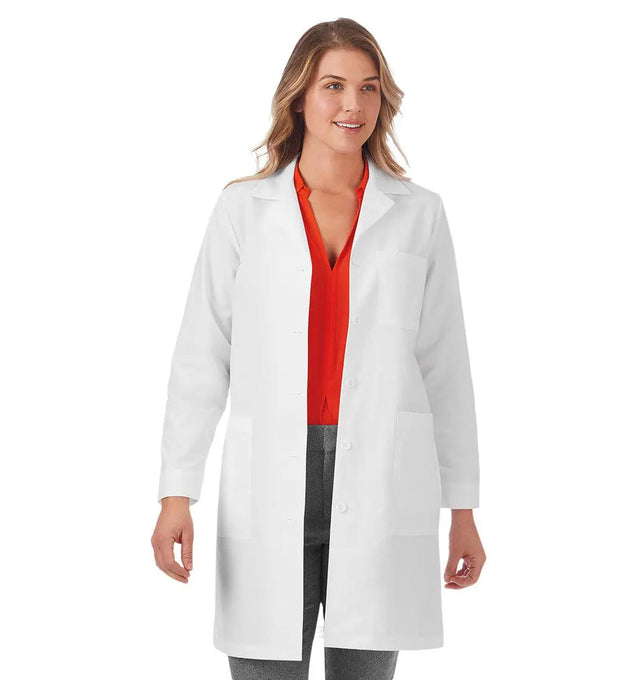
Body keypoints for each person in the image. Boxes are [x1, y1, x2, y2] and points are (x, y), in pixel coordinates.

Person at [151, 17, 486, 680]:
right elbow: (201, 356)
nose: (352, 104)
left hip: (382, 476)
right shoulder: (243, 211)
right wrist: (175, 493)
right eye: (333, 85)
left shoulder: (419, 214)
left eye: (368, 87)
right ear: (299, 97)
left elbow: (445, 367)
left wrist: (464, 509)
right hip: (271, 476)